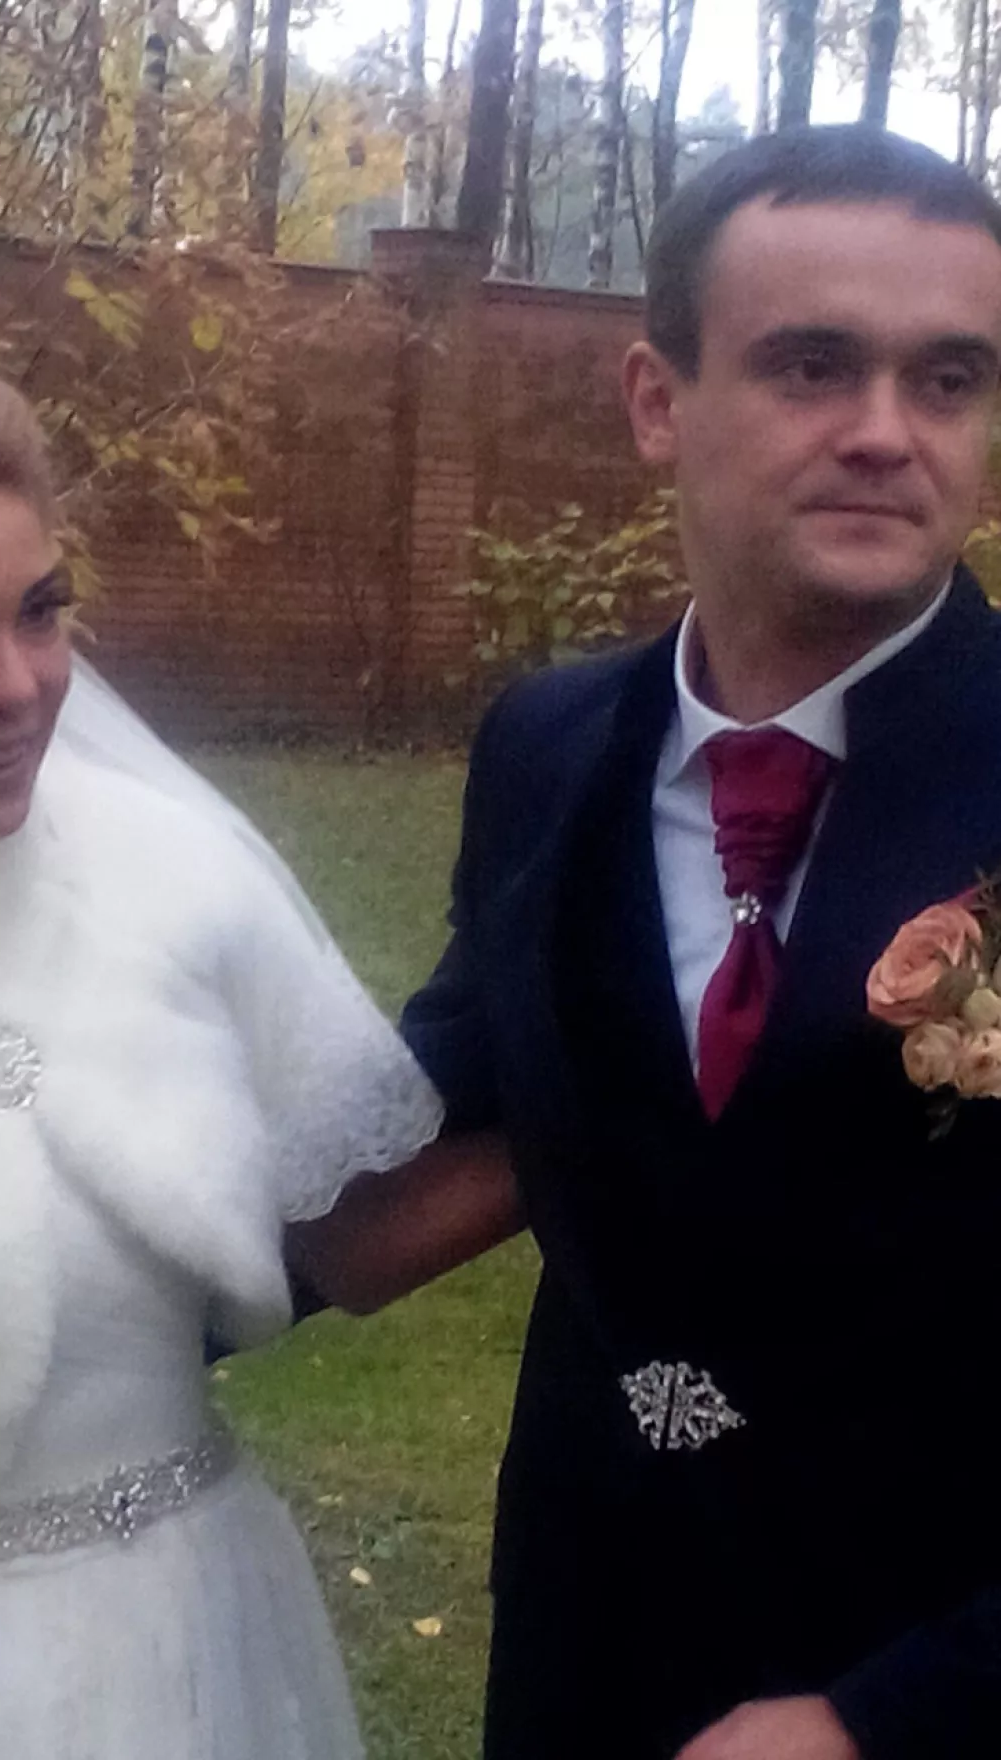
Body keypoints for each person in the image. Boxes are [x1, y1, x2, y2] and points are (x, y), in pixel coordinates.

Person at [0, 260, 518, 1760]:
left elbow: (350, 1229)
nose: (20, 686)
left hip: (219, 1620)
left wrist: (678, 1079)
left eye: (42, 611)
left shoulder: (165, 876)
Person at [401, 124, 1001, 1759]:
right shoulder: (546, 746)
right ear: (656, 401)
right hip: (592, 1650)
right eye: (814, 365)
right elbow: (443, 1106)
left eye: (948, 380)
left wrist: (893, 1718)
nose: (884, 432)